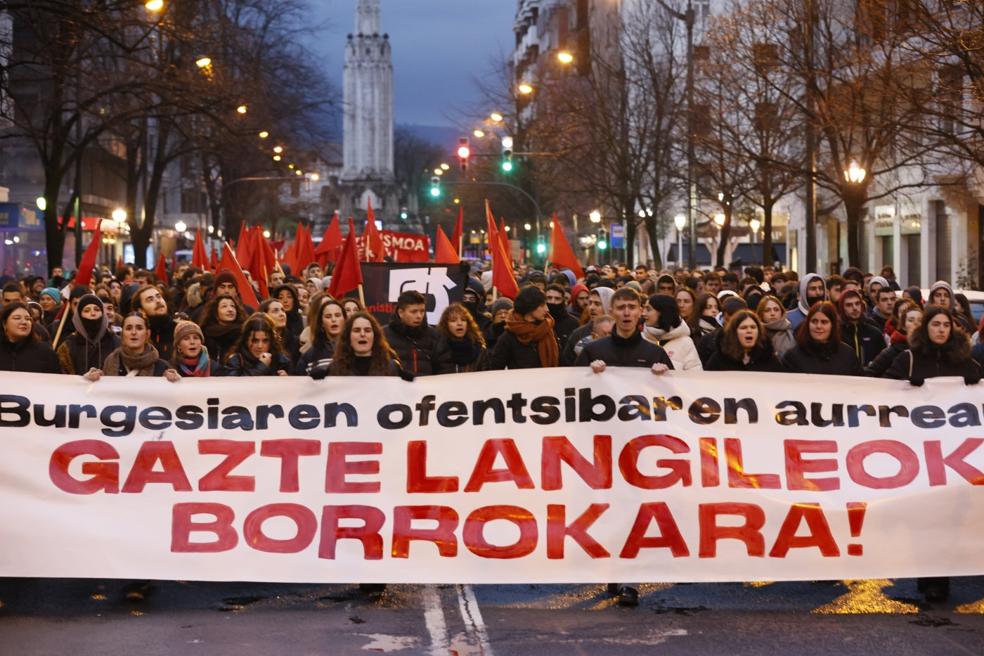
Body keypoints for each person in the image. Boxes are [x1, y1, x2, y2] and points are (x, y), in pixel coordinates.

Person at [575, 286, 673, 608]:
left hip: (642, 447)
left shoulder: (655, 353)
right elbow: (571, 395)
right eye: (622, 308)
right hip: (603, 444)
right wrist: (591, 377)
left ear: (641, 311)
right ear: (612, 312)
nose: (628, 313)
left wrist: (664, 377)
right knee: (609, 508)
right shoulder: (593, 352)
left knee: (637, 511)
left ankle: (631, 580)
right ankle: (614, 570)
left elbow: (672, 402)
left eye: (633, 307)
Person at [883, 305, 980, 604]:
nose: (941, 330)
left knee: (946, 519)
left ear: (953, 330)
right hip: (917, 454)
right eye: (935, 324)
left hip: (952, 457)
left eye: (946, 325)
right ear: (926, 328)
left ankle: (939, 580)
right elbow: (880, 391)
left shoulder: (966, 363)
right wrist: (905, 391)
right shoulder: (909, 359)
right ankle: (927, 574)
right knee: (922, 520)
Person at [781, 302, 863, 375]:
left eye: (824, 322)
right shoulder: (793, 357)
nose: (818, 326)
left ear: (832, 325)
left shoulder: (848, 355)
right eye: (814, 321)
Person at [383, 290, 451, 376]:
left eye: (422, 311)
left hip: (428, 388)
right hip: (394, 388)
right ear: (400, 312)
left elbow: (445, 368)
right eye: (414, 312)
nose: (419, 316)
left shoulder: (434, 335)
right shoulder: (384, 335)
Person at [490, 286, 559, 370]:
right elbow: (495, 369)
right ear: (530, 306)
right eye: (542, 305)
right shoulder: (509, 337)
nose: (547, 309)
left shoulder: (548, 330)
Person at [94, 311, 177, 378]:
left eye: (139, 328)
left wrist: (173, 381)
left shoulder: (162, 367)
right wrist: (93, 379)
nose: (133, 332)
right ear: (122, 334)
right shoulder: (109, 362)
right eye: (129, 328)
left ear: (147, 334)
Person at [55, 294, 119, 375]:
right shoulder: (67, 347)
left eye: (97, 309)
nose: (93, 313)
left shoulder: (115, 342)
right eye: (86, 310)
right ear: (79, 316)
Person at [326, 311, 404, 377]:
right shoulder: (335, 369)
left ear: (375, 336)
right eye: (357, 330)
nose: (362, 334)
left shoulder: (391, 368)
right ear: (348, 336)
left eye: (367, 330)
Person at [704, 310, 783, 372]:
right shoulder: (719, 359)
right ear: (734, 332)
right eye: (743, 328)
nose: (749, 331)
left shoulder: (769, 359)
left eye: (753, 327)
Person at [641, 293, 701, 371]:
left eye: (648, 309)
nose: (643, 313)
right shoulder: (640, 339)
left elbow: (695, 376)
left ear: (662, 312)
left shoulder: (685, 343)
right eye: (644, 309)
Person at [0, 302, 60, 373]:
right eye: (17, 318)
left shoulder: (45, 352)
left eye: (28, 319)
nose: (24, 322)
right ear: (4, 324)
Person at [224, 314, 291, 376]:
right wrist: (262, 367)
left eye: (265, 341)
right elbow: (235, 385)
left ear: (271, 341)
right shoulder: (236, 361)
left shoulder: (281, 361)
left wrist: (286, 381)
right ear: (246, 340)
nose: (260, 346)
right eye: (255, 341)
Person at [866, 302, 921, 377]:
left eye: (920, 320)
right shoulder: (893, 350)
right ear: (904, 326)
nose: (916, 323)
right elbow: (870, 373)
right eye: (911, 320)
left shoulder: (930, 349)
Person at [295, 299, 346, 376]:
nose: (334, 320)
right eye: (328, 316)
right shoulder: (310, 355)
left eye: (338, 315)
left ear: (345, 320)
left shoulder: (355, 350)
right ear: (322, 323)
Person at [837, 289, 884, 368]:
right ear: (842, 308)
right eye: (849, 305)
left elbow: (884, 361)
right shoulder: (836, 333)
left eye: (857, 303)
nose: (855, 308)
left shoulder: (875, 333)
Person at [437, 302, 489, 372]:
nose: (459, 323)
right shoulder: (439, 349)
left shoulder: (479, 350)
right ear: (446, 325)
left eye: (463, 320)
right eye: (453, 320)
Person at [132, 285, 177, 360]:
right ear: (141, 310)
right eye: (150, 300)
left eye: (159, 297)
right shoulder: (137, 336)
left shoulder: (178, 329)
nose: (158, 301)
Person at [199, 294, 246, 363]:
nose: (230, 309)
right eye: (224, 306)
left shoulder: (244, 332)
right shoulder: (206, 334)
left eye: (233, 306)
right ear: (215, 313)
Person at [258, 298, 300, 366]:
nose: (282, 314)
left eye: (283, 310)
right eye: (275, 311)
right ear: (264, 315)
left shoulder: (295, 341)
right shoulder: (258, 341)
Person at [545, 283, 578, 350]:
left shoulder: (573, 323)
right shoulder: (539, 320)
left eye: (557, 299)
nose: (553, 302)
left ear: (563, 300)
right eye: (549, 298)